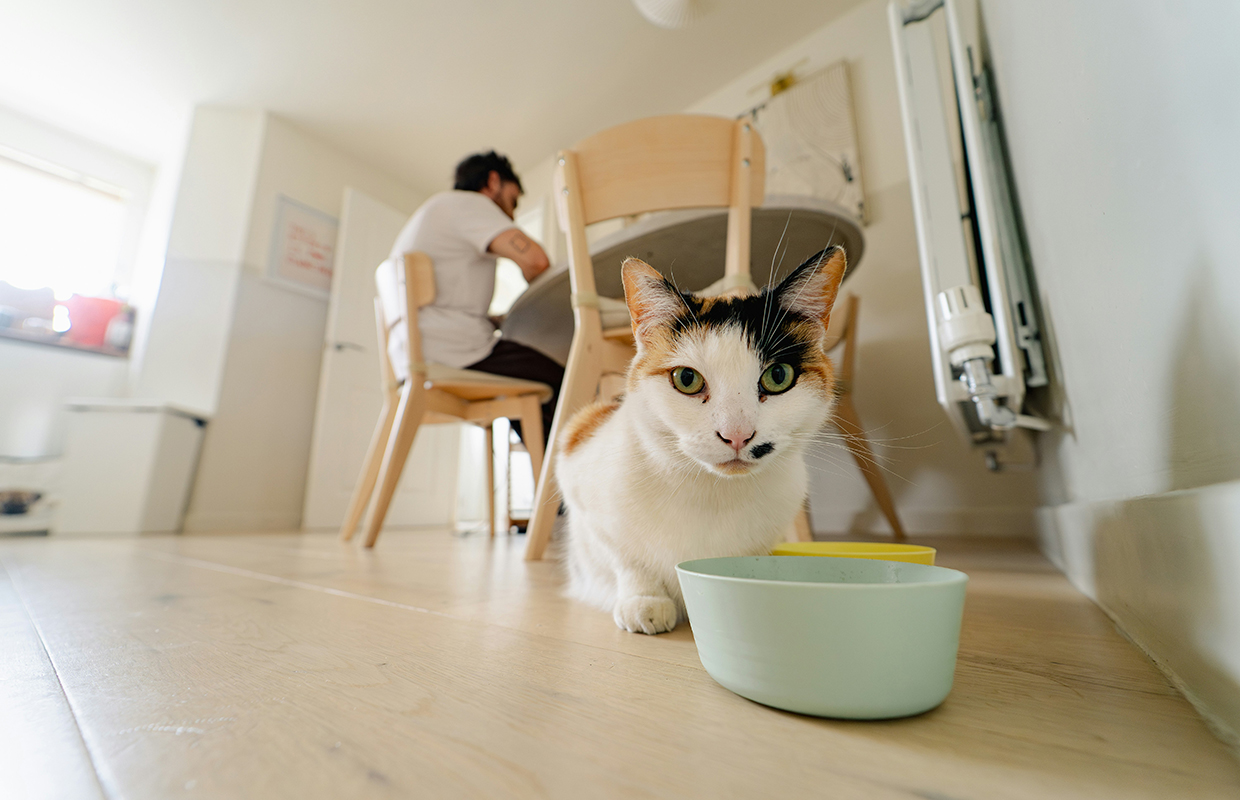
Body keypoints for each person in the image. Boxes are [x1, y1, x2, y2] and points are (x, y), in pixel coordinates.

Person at [389, 151, 563, 446]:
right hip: (455, 351)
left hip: (414, 354)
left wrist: (492, 319)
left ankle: (550, 481)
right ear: (493, 181)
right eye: (512, 200)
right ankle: (568, 485)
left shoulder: (434, 211)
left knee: (524, 381)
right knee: (562, 380)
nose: (511, 215)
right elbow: (536, 261)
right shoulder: (471, 204)